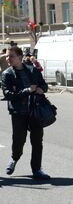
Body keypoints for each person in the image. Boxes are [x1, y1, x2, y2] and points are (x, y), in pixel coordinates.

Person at [1, 46, 50, 180]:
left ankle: (37, 169)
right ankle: (14, 158)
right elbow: (8, 94)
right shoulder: (7, 74)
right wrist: (27, 90)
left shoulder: (33, 70)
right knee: (18, 140)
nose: (7, 59)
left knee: (37, 141)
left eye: (11, 56)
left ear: (20, 57)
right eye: (7, 56)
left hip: (35, 110)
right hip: (18, 112)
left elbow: (44, 85)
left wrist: (41, 89)